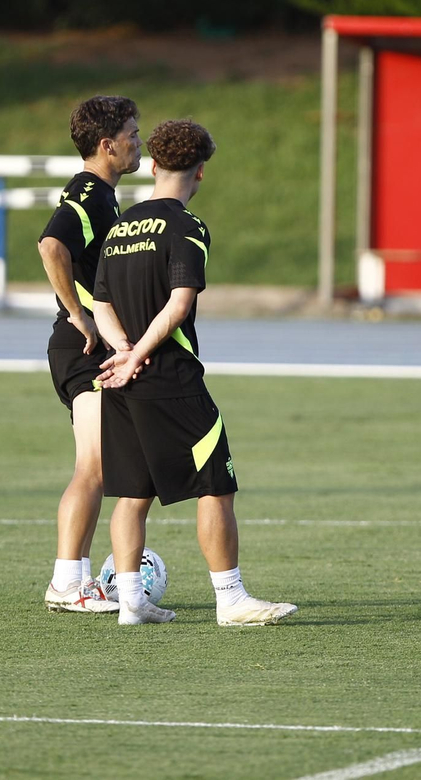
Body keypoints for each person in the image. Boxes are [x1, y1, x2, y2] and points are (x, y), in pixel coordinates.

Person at [91, 119, 297, 627]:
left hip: (120, 378)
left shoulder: (119, 227)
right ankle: (230, 599)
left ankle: (133, 603)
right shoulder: (187, 227)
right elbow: (180, 304)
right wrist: (140, 353)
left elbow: (100, 303)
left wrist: (121, 353)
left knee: (132, 493)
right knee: (215, 485)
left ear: (155, 165)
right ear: (200, 172)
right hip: (170, 378)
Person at [37, 95, 142, 613]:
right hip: (80, 347)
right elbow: (50, 245)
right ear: (107, 145)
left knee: (98, 466)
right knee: (93, 468)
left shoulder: (104, 196)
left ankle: (74, 582)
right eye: (132, 134)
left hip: (88, 347)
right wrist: (77, 312)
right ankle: (66, 584)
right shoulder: (89, 194)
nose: (137, 142)